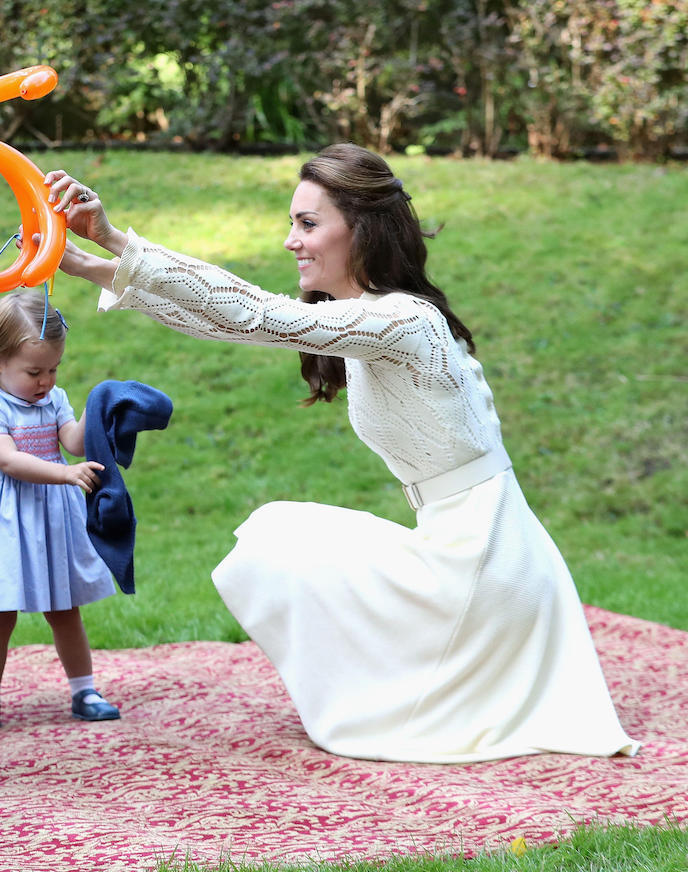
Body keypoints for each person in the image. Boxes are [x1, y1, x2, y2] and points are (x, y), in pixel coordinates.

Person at [43, 145, 640, 763]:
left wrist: (115, 238)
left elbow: (254, 313)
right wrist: (88, 263)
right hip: (464, 544)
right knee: (270, 536)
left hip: (487, 562)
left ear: (363, 229)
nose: (289, 241)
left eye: (307, 224)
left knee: (277, 538)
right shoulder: (368, 318)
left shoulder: (406, 321)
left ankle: (409, 697)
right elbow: (231, 323)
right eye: (292, 224)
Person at [0, 290, 121, 736]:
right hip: (2, 516)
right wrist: (66, 474)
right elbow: (9, 460)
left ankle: (84, 689)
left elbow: (72, 440)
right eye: (34, 371)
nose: (46, 381)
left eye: (54, 369)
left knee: (65, 607)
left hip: (49, 515)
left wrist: (101, 416)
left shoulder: (54, 400)